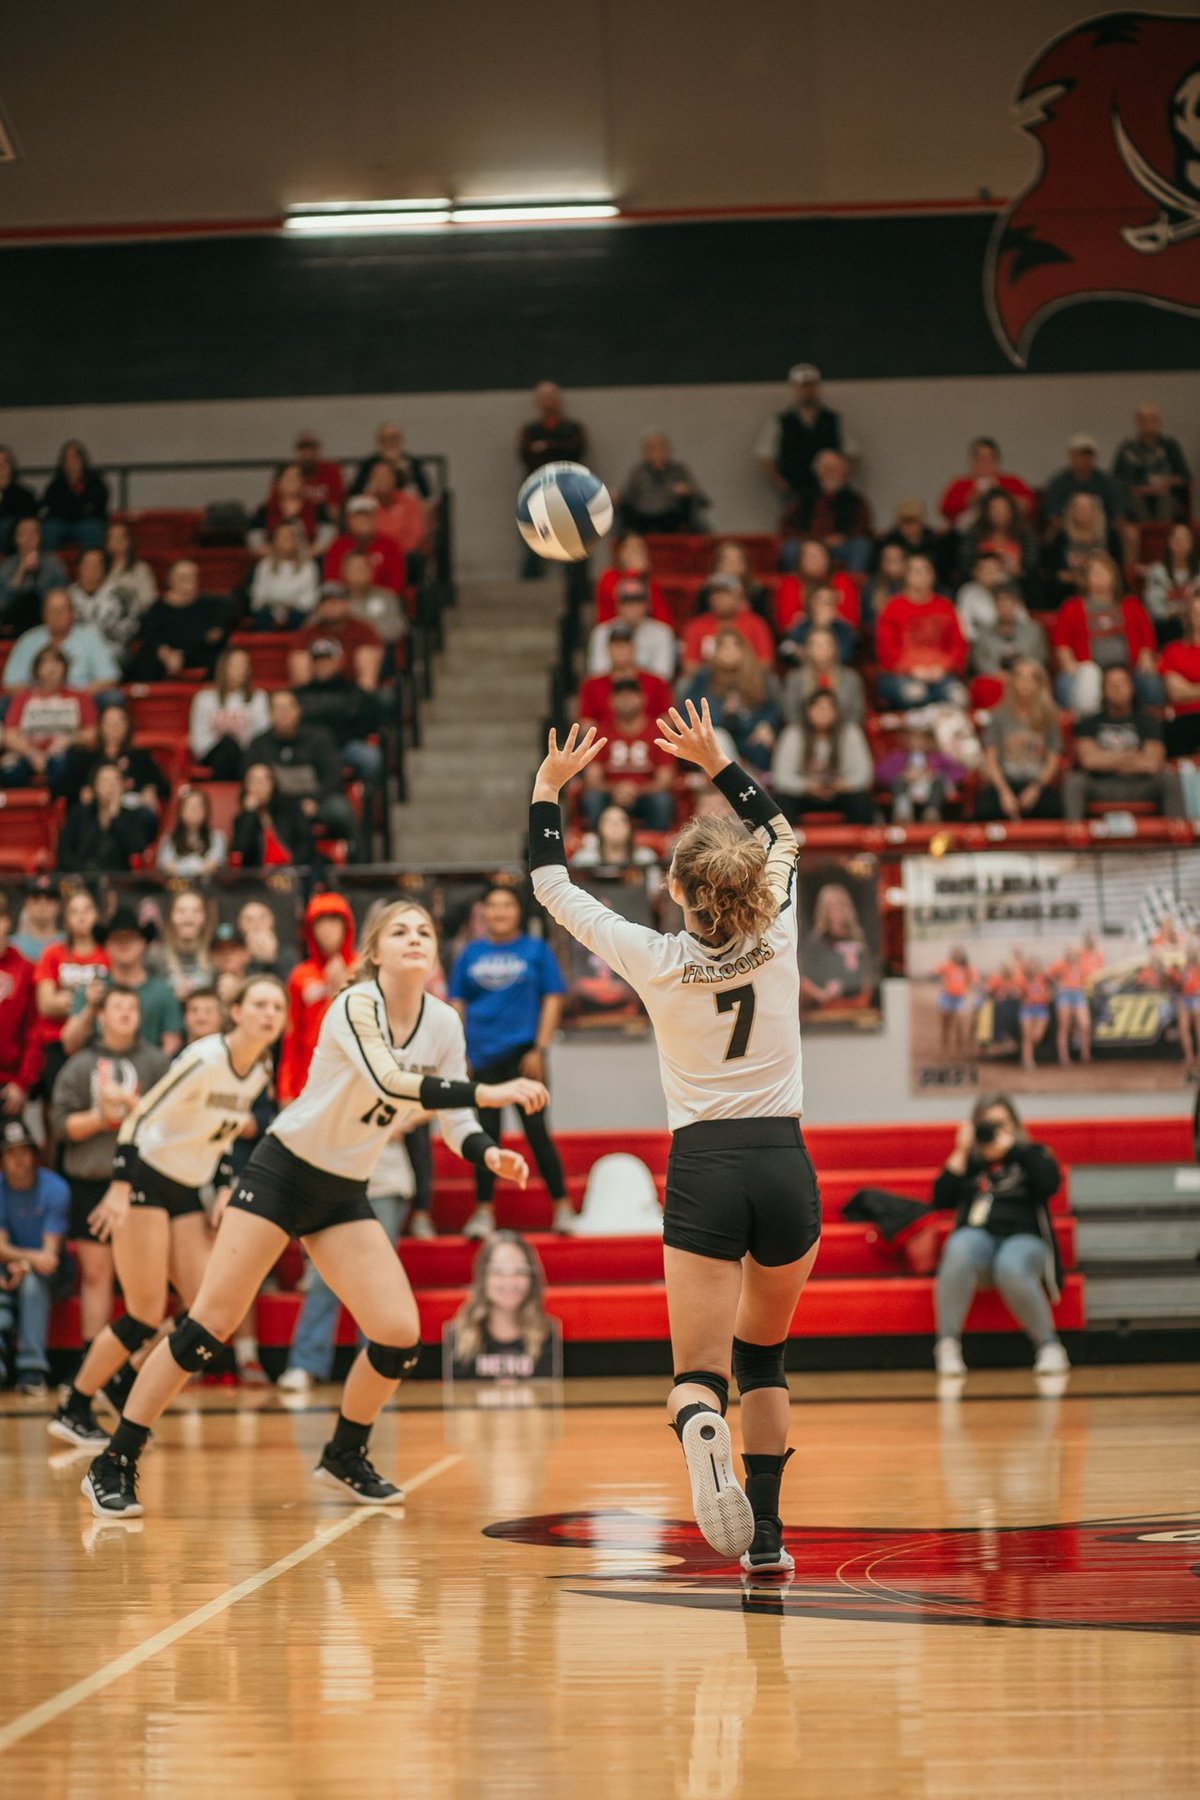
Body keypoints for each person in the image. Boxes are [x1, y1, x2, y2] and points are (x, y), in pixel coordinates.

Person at [82, 899, 547, 1517]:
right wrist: (489, 1090)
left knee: (398, 1335)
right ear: (374, 953)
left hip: (342, 1190)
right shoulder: (354, 1004)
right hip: (281, 1173)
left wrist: (488, 1152)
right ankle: (113, 1460)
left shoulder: (443, 1024)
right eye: (399, 931)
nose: (415, 939)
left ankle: (344, 1454)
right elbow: (389, 1081)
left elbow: (456, 1119)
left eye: (425, 931)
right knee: (206, 1328)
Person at [531, 711, 819, 1569]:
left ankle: (700, 1422)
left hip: (704, 1165)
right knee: (763, 1358)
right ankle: (765, 1537)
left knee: (699, 1372)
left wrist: (549, 789)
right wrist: (719, 761)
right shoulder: (778, 933)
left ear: (680, 892)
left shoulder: (654, 957)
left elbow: (551, 884)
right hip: (782, 1163)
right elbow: (784, 833)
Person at [50, 976, 288, 1449]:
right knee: (143, 1312)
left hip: (186, 1187)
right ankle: (73, 1406)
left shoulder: (260, 1068)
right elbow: (139, 1117)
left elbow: (217, 1134)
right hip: (144, 1178)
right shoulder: (204, 1058)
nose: (269, 1014)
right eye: (259, 1004)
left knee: (205, 1313)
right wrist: (119, 1186)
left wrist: (222, 1186)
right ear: (235, 1011)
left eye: (278, 1008)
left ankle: (123, 1383)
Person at [52, 987, 170, 1356]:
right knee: (96, 1276)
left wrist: (133, 1108)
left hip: (144, 1182)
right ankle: (93, 1362)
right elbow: (59, 1126)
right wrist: (100, 1118)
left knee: (144, 1281)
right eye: (117, 1006)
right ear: (101, 1015)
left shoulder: (157, 1062)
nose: (125, 1013)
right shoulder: (79, 1064)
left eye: (132, 1007)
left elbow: (174, 1125)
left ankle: (137, 1365)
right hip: (91, 1181)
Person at [449, 885, 570, 1239]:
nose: (499, 912)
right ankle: (483, 1214)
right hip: (481, 1058)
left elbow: (553, 997)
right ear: (482, 912)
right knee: (486, 1136)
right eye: (492, 906)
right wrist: (460, 1054)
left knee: (537, 1135)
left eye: (506, 905)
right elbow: (457, 1003)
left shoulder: (536, 950)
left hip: (523, 1057)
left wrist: (540, 1049)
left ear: (518, 912)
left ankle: (562, 1208)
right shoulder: (469, 953)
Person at [932, 1094, 1069, 1378]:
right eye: (987, 1125)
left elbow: (1050, 1183)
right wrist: (961, 1150)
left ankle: (1049, 1346)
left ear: (1015, 1125)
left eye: (1001, 1124)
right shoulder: (972, 1160)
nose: (994, 1132)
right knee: (959, 1245)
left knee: (1010, 1263)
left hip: (1025, 1239)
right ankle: (947, 1345)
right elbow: (940, 1198)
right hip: (980, 1241)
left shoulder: (1031, 1153)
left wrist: (1016, 1149)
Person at [0, 1120, 70, 1396]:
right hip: (9, 1266)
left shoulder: (55, 1188)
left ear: (33, 1154)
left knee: (32, 1284)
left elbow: (49, 1257)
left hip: (52, 1272)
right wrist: (19, 1261)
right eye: (10, 1153)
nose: (18, 1160)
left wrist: (25, 1263)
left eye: (23, 1151)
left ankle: (32, 1370)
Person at [245, 688, 362, 853]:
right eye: (277, 709)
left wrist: (316, 800)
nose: (283, 713)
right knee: (248, 813)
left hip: (317, 801)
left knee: (339, 809)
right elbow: (249, 779)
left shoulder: (319, 738)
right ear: (270, 714)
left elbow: (333, 776)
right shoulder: (258, 745)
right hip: (275, 806)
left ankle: (358, 864)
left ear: (298, 710)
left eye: (288, 708)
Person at [1063, 664, 1184, 821]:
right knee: (1074, 780)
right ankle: (1073, 835)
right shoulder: (1088, 723)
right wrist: (1133, 755)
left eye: (1122, 683)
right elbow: (1089, 761)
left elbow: (1152, 764)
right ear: (1103, 690)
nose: (1117, 689)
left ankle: (1177, 833)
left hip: (1140, 784)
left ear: (1131, 687)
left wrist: (1107, 759)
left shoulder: (1149, 722)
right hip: (1101, 785)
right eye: (1112, 685)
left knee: (1169, 778)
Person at [61, 906, 183, 1059]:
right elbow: (69, 1044)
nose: (124, 944)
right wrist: (91, 1008)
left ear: (143, 943)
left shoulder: (162, 991)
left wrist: (153, 1073)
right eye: (117, 938)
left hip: (151, 1077)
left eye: (131, 938)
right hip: (99, 1074)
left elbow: (172, 1044)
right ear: (106, 945)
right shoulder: (92, 989)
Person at [1052, 552, 1161, 715]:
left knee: (1151, 682)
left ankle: (1151, 727)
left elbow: (1147, 637)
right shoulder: (1072, 607)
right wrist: (1069, 664)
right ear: (1085, 578)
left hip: (1129, 668)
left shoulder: (1131, 604)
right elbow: (1061, 643)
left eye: (1104, 572)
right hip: (1086, 668)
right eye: (1094, 573)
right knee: (1065, 683)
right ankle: (1082, 729)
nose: (1099, 577)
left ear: (1114, 577)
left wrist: (1145, 656)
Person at [278, 893, 356, 1104]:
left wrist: (341, 989)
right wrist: (286, 1089)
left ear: (346, 926)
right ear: (310, 931)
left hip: (353, 1075)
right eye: (320, 923)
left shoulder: (362, 969)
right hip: (309, 1078)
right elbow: (291, 1035)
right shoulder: (300, 975)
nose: (328, 929)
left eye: (334, 921)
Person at [449, 1232, 555, 1381]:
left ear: (532, 1278)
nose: (509, 1282)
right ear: (483, 1277)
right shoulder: (459, 1333)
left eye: (519, 1272)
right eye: (498, 1272)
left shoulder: (548, 1333)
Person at [34, 886, 108, 1090]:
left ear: (97, 914)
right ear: (65, 918)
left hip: (96, 1040)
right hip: (55, 1041)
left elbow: (109, 1002)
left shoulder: (107, 954)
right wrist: (88, 999)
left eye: (87, 910)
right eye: (74, 911)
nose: (81, 917)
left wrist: (67, 998)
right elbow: (45, 1005)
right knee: (54, 1099)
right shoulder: (52, 953)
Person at [579, 681, 676, 831]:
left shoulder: (657, 731)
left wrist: (635, 790)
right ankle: (596, 846)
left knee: (661, 800)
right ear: (611, 701)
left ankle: (658, 847)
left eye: (631, 695)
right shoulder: (600, 731)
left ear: (643, 699)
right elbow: (592, 778)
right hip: (610, 795)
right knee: (593, 798)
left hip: (646, 794)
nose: (626, 700)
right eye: (621, 696)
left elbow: (665, 779)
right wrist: (616, 789)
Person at [875, 555, 968, 710]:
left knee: (958, 697)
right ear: (906, 576)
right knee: (915, 694)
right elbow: (886, 651)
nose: (921, 575)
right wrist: (914, 670)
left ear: (933, 576)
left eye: (926, 571)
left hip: (941, 674)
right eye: (916, 571)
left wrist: (942, 668)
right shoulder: (892, 607)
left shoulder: (945, 606)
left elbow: (958, 646)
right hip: (901, 675)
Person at [975, 660, 1063, 821]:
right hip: (1005, 781)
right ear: (1012, 682)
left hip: (1036, 782)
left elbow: (1053, 760)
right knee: (984, 807)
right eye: (1021, 678)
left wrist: (1035, 788)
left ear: (1040, 684)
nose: (1025, 684)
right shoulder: (998, 716)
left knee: (1053, 807)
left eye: (1031, 679)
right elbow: (990, 759)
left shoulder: (1049, 717)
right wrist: (1003, 791)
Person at [770, 690, 874, 825]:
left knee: (861, 800)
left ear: (837, 711)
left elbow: (864, 774)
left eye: (828, 708)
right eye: (818, 708)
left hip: (841, 792)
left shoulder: (850, 733)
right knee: (782, 801)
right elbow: (781, 777)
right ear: (808, 711)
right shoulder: (793, 734)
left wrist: (842, 785)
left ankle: (860, 844)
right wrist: (807, 786)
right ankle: (788, 844)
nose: (823, 713)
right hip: (804, 793)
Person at [682, 630, 781, 773]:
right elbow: (688, 714)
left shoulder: (760, 678)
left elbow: (773, 710)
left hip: (751, 738)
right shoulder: (704, 678)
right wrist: (724, 713)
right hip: (718, 737)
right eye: (723, 646)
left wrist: (766, 725)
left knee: (765, 741)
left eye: (735, 646)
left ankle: (756, 786)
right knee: (718, 737)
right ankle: (733, 784)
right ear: (716, 651)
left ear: (744, 650)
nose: (729, 651)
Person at [0, 645, 96, 792]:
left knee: (63, 764)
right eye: (46, 663)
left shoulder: (80, 698)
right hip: (28, 754)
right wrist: (31, 753)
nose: (52, 669)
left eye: (57, 663)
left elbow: (92, 733)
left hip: (65, 754)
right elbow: (10, 735)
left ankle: (60, 809)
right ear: (37, 669)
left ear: (65, 668)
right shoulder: (22, 699)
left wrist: (70, 740)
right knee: (10, 768)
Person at [293, 638, 382, 789]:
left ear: (339, 661)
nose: (322, 665)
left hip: (345, 745)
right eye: (318, 661)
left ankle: (368, 804)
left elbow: (368, 722)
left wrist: (339, 732)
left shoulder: (354, 692)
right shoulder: (299, 694)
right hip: (309, 747)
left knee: (370, 757)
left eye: (327, 660)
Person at [755, 362, 844, 511]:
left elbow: (852, 454)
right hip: (795, 490)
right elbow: (765, 457)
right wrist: (783, 485)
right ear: (795, 388)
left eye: (811, 386)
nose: (807, 391)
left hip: (829, 491)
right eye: (802, 386)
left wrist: (838, 478)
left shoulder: (832, 419)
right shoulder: (781, 421)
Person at [2, 587, 121, 695]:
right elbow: (10, 683)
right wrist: (40, 696)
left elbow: (110, 678)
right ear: (44, 614)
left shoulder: (91, 637)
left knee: (112, 697)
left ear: (73, 613)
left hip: (83, 697)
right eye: (52, 610)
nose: (57, 615)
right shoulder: (28, 640)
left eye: (62, 610)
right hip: (35, 701)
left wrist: (76, 697)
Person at [126, 558, 228, 683]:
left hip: (197, 653)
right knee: (145, 660)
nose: (189, 581)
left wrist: (216, 631)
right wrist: (166, 653)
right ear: (171, 580)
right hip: (165, 656)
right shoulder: (158, 609)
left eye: (193, 576)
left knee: (222, 658)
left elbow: (215, 632)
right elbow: (149, 637)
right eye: (183, 577)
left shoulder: (210, 605)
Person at [69, 699, 169, 812]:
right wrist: (82, 792)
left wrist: (150, 788)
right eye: (109, 723)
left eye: (118, 723)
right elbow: (66, 789)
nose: (113, 727)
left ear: (127, 726)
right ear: (100, 726)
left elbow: (164, 786)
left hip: (131, 814)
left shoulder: (140, 757)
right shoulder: (86, 758)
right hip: (95, 815)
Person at [188, 646, 271, 781]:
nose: (241, 670)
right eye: (236, 665)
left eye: (245, 666)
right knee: (227, 745)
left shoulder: (259, 698)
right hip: (212, 755)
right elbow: (198, 741)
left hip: (246, 755)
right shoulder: (203, 698)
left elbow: (262, 735)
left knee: (234, 749)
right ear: (223, 668)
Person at [57, 763, 157, 874]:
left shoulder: (131, 816)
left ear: (122, 785)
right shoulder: (79, 814)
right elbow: (64, 853)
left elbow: (137, 849)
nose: (110, 786)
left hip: (118, 880)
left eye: (114, 781)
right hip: (82, 876)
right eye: (105, 781)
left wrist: (115, 816)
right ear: (95, 785)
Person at [784, 450, 873, 574]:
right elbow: (788, 526)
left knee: (861, 546)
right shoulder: (803, 498)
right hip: (809, 543)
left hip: (842, 545)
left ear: (844, 472)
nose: (831, 473)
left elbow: (863, 527)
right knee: (790, 548)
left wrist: (844, 537)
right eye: (827, 468)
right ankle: (794, 588)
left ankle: (852, 587)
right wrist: (811, 540)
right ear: (818, 472)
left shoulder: (855, 500)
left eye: (836, 469)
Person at [578, 623, 674, 732]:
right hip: (605, 745)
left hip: (650, 744)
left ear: (634, 648)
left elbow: (668, 721)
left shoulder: (657, 682)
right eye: (616, 645)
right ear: (608, 649)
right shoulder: (591, 685)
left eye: (625, 645)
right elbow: (585, 724)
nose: (620, 650)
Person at [289, 583, 385, 691]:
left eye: (336, 602)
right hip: (314, 694)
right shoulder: (306, 633)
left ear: (347, 604)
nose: (331, 606)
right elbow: (301, 681)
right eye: (326, 602)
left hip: (353, 693)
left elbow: (368, 681)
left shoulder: (364, 631)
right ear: (318, 607)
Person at [874, 715, 965, 824]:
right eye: (914, 737)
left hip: (929, 788)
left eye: (922, 738)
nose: (918, 741)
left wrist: (932, 773)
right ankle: (902, 813)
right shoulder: (898, 756)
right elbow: (879, 774)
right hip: (907, 789)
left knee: (938, 780)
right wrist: (904, 775)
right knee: (898, 782)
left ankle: (932, 813)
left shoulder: (937, 756)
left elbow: (960, 772)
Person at [681, 574, 776, 674]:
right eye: (716, 593)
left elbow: (765, 663)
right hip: (707, 681)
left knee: (771, 681)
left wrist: (736, 672)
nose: (720, 598)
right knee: (684, 684)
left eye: (726, 593)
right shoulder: (696, 626)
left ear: (739, 596)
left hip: (748, 679)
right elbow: (689, 666)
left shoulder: (756, 624)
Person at [1112, 404, 1191, 524]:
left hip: (1165, 496)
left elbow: (1185, 477)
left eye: (1153, 419)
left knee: (1165, 501)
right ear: (1137, 422)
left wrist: (1167, 482)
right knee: (1134, 502)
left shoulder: (1170, 445)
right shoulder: (1127, 447)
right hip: (1136, 495)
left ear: (1159, 422)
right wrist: (1139, 489)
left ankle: (1162, 537)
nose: (1148, 423)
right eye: (1144, 419)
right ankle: (1146, 535)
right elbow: (1115, 478)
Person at [616, 432, 708, 536]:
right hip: (642, 520)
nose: (656, 452)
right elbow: (625, 495)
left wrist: (688, 491)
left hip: (672, 520)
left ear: (668, 450)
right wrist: (618, 497)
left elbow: (702, 499)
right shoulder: (638, 473)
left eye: (660, 448)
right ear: (644, 452)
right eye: (651, 448)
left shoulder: (679, 471)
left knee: (696, 520)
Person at [0, 892, 42, 1116]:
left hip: (10, 1087)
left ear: (7, 921)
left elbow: (34, 1031)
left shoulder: (25, 970)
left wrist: (23, 1082)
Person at [939, 437, 1034, 534]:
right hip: (966, 535)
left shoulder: (1012, 482)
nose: (985, 463)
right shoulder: (959, 484)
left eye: (990, 458)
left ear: (997, 460)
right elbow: (945, 510)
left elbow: (1029, 505)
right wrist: (969, 500)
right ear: (973, 461)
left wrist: (1003, 499)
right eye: (981, 458)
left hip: (1008, 535)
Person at [587, 582, 677, 682]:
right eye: (626, 602)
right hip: (610, 691)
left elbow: (663, 674)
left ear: (647, 604)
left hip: (649, 691)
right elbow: (597, 671)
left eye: (637, 601)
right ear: (617, 605)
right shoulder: (602, 632)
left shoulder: (662, 632)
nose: (632, 607)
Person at [230, 761, 316, 868]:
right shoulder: (242, 819)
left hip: (293, 873)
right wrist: (249, 814)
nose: (259, 786)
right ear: (246, 786)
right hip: (258, 878)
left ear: (273, 784)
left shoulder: (291, 810)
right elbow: (240, 852)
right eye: (253, 781)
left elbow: (306, 844)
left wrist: (292, 867)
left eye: (264, 780)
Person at [1041, 433, 1129, 535]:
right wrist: (1076, 532)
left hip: (1104, 533)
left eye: (1086, 455)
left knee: (1128, 532)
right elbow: (1052, 515)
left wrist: (1097, 531)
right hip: (1066, 533)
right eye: (1077, 454)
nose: (1082, 459)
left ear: (1094, 457)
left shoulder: (1109, 483)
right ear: (1070, 456)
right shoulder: (1057, 483)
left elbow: (1119, 514)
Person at [1045, 492, 1125, 602]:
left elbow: (1117, 568)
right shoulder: (1061, 538)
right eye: (1078, 508)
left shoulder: (1110, 536)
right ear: (1071, 512)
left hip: (1107, 590)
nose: (1083, 512)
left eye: (1087, 508)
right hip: (1069, 592)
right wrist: (1082, 580)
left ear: (1096, 511)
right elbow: (1058, 574)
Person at [780, 625, 865, 727]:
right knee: (792, 734)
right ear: (807, 649)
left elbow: (856, 715)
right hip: (805, 734)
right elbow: (791, 715)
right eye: (816, 644)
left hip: (842, 733)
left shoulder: (851, 678)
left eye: (825, 644)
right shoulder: (794, 679)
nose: (821, 649)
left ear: (834, 648)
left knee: (853, 733)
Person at [774, 538, 861, 635]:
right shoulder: (790, 584)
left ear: (828, 558)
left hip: (838, 636)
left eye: (820, 555)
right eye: (810, 556)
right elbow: (787, 624)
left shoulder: (842, 580)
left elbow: (851, 622)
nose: (815, 560)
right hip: (802, 638)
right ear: (800, 561)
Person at [0, 517, 69, 638]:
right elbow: (3, 602)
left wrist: (38, 573)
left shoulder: (53, 564)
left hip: (44, 622)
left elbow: (59, 598)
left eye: (34, 532)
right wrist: (21, 571)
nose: (29, 537)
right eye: (24, 532)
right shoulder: (7, 565)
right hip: (12, 623)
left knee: (31, 600)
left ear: (40, 536)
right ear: (16, 538)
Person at [323, 496, 406, 595]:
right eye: (358, 516)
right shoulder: (337, 546)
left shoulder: (390, 545)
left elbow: (397, 582)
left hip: (381, 601)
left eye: (368, 516)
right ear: (349, 520)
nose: (363, 521)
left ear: (376, 519)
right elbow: (332, 581)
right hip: (345, 601)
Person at [969, 582, 1049, 685]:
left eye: (1009, 603)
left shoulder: (1033, 630)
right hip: (995, 679)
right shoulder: (983, 632)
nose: (1005, 608)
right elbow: (980, 661)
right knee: (983, 685)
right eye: (1001, 604)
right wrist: (997, 673)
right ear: (994, 606)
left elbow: (1039, 657)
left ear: (1017, 605)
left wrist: (1020, 673)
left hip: (1026, 679)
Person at [248, 462, 334, 555]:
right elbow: (255, 536)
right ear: (278, 482)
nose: (293, 481)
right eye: (288, 478)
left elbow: (328, 532)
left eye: (297, 478)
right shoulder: (265, 510)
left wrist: (312, 551)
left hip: (309, 559)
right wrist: (270, 553)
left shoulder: (317, 508)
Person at [38, 440, 109, 552]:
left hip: (87, 523)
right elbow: (53, 507)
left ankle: (91, 563)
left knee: (93, 528)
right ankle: (49, 564)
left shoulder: (95, 482)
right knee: (49, 528)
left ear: (82, 460)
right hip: (62, 523)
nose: (71, 462)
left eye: (75, 457)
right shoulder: (56, 485)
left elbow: (98, 506)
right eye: (67, 459)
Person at [962, 488, 1038, 590]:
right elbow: (965, 564)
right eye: (994, 509)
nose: (999, 513)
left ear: (1012, 510)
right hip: (981, 586)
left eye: (1004, 509)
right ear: (986, 511)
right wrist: (982, 572)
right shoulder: (975, 533)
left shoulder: (1024, 533)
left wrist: (1019, 571)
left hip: (1017, 588)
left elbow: (1031, 567)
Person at [248, 522, 320, 629]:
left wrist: (289, 607)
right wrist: (275, 609)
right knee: (261, 616)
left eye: (287, 537)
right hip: (269, 611)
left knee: (303, 618)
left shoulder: (308, 566)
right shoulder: (264, 565)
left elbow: (310, 597)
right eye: (279, 538)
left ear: (297, 541)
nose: (283, 542)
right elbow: (258, 594)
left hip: (297, 613)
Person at [592, 534, 673, 624]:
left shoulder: (651, 582)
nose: (638, 553)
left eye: (641, 549)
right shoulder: (609, 577)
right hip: (613, 633)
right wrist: (634, 574)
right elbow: (625, 606)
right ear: (620, 552)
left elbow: (664, 621)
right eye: (633, 549)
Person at [1143, 522, 1199, 645]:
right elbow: (1155, 609)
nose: (1181, 544)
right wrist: (1177, 612)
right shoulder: (1157, 571)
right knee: (1173, 626)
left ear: (1192, 543)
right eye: (1177, 539)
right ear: (1169, 542)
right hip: (1167, 626)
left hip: (1196, 624)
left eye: (1185, 539)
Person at [156, 787, 228, 880]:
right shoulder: (169, 837)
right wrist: (198, 867)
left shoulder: (217, 837)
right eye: (189, 806)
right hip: (176, 887)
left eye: (199, 806)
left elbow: (212, 866)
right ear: (180, 810)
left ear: (206, 810)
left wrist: (180, 867)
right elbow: (167, 867)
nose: (194, 810)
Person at [338, 552, 407, 648]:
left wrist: (365, 636)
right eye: (353, 568)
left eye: (362, 568)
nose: (358, 573)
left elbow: (397, 629)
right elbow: (316, 628)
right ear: (343, 572)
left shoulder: (386, 597)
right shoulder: (334, 599)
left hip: (379, 649)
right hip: (342, 652)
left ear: (372, 571)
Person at [1160, 589, 1200, 758]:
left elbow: (1185, 691)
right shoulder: (1173, 651)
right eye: (1196, 612)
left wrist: (1191, 689)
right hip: (1185, 721)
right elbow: (1176, 693)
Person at [350, 422, 432, 502]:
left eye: (393, 438)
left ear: (401, 440)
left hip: (407, 507)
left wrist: (407, 473)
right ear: (378, 442)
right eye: (385, 439)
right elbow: (355, 494)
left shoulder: (412, 463)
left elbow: (426, 494)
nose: (390, 443)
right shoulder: (368, 464)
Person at [779, 582, 857, 666]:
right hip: (805, 674)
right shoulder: (801, 626)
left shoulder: (843, 629)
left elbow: (845, 655)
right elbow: (785, 649)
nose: (827, 606)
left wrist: (807, 653)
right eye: (822, 601)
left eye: (831, 601)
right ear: (811, 604)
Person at [157, 889, 214, 1001]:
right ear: (170, 917)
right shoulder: (155, 958)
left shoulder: (215, 956)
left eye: (196, 911)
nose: (188, 918)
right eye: (181, 911)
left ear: (205, 917)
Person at [99, 519, 158, 621]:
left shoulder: (140, 569)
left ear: (129, 541)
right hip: (102, 618)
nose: (116, 541)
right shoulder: (100, 569)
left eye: (120, 537)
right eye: (111, 537)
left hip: (133, 619)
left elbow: (148, 600)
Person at [573, 803, 660, 869]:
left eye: (622, 821)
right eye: (609, 821)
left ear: (630, 828)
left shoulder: (646, 859)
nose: (615, 825)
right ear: (599, 829)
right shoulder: (583, 860)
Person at [1049, 946, 1093, 1068]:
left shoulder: (1082, 966)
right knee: (1064, 1026)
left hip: (1078, 993)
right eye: (1069, 953)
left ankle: (1085, 1054)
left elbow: (1088, 979)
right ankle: (1064, 1057)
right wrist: (1056, 985)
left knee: (1085, 1024)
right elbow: (1048, 975)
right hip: (1065, 994)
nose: (1071, 955)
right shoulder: (1060, 965)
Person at [934, 949, 979, 1060]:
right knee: (945, 1025)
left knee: (960, 1024)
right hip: (947, 998)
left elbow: (975, 980)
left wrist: (972, 983)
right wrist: (941, 979)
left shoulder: (967, 968)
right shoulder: (947, 965)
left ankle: (959, 1050)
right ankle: (945, 1049)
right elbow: (935, 971)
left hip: (959, 999)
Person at [12, 875, 62, 967]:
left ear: (58, 905)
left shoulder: (69, 943)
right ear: (27, 904)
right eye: (36, 898)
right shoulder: (12, 946)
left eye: (49, 898)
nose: (42, 903)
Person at [292, 430, 346, 515]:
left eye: (311, 449)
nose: (308, 454)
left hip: (325, 520)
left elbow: (336, 504)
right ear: (298, 452)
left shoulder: (331, 470)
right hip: (298, 518)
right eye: (303, 449)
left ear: (317, 451)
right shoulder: (289, 472)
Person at [0, 446, 39, 556]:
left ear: (11, 467)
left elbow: (28, 521)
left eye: (4, 464)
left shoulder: (25, 495)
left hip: (17, 550)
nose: (1, 469)